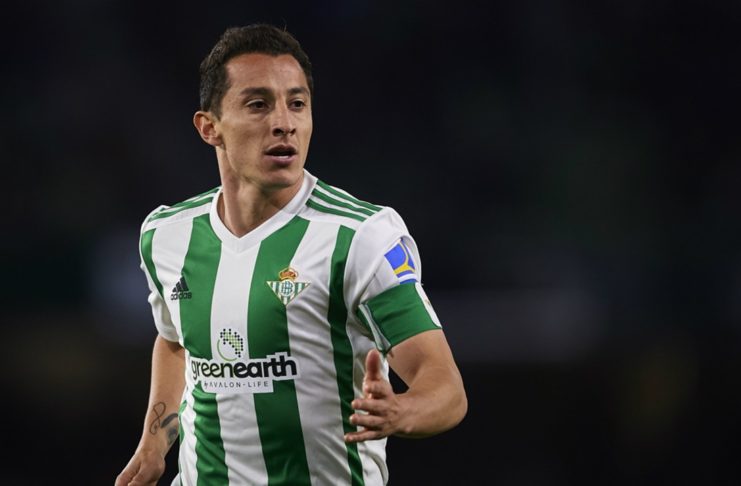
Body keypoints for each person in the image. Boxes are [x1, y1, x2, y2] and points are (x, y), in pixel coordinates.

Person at [115, 23, 467, 486]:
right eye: (258, 104)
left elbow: (445, 387)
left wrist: (400, 411)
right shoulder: (166, 235)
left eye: (297, 104)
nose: (285, 122)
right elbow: (176, 342)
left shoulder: (359, 237)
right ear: (209, 127)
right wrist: (154, 442)